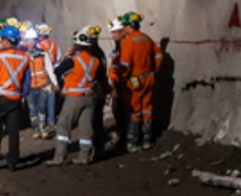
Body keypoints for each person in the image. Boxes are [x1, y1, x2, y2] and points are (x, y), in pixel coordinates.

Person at [47, 26, 108, 165]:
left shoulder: (72, 61)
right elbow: (100, 78)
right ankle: (84, 156)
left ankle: (59, 157)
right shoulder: (96, 60)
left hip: (75, 97)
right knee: (86, 128)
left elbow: (57, 72)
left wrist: (67, 57)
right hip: (90, 97)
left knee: (63, 126)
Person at [0, 25, 30, 171]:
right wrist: (23, 95)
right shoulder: (25, 58)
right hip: (16, 99)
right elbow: (27, 82)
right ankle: (13, 161)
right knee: (13, 132)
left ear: (6, 41)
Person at [117, 12, 162, 151]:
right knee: (147, 108)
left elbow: (125, 64)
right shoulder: (147, 39)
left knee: (134, 109)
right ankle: (147, 140)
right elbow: (159, 55)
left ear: (130, 25)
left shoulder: (129, 41)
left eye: (124, 25)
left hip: (135, 79)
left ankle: (133, 141)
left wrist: (121, 78)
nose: (123, 28)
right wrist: (154, 69)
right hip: (149, 77)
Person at [23, 27, 57, 140]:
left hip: (43, 84)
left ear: (36, 41)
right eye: (28, 40)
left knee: (42, 108)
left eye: (32, 40)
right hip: (30, 86)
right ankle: (36, 129)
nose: (30, 43)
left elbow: (49, 68)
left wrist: (54, 82)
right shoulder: (23, 55)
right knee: (32, 109)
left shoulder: (42, 53)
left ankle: (42, 128)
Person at [107, 19, 129, 151]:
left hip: (123, 84)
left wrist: (116, 85)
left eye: (114, 32)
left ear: (122, 32)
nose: (112, 35)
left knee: (124, 111)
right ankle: (123, 136)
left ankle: (126, 139)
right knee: (118, 111)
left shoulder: (125, 45)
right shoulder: (119, 45)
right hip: (118, 83)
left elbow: (123, 68)